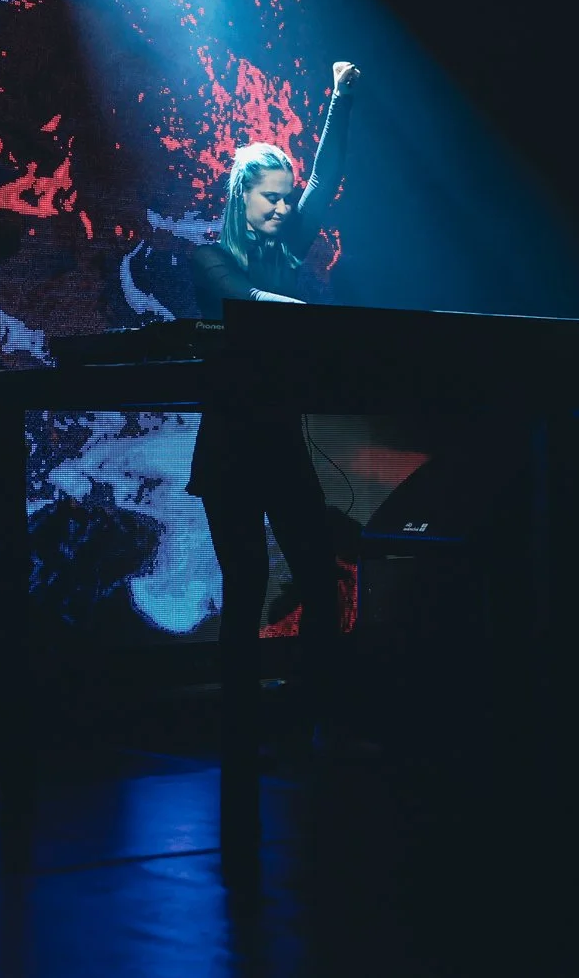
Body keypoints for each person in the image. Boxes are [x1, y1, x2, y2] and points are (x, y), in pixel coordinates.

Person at [187, 59, 360, 766]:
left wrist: (342, 100)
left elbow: (327, 177)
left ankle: (314, 710)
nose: (285, 210)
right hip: (231, 452)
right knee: (247, 584)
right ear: (241, 198)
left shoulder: (288, 247)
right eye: (271, 200)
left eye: (287, 200)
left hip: (280, 445)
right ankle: (238, 722)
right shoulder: (208, 260)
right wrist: (325, 326)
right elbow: (250, 310)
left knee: (319, 577)